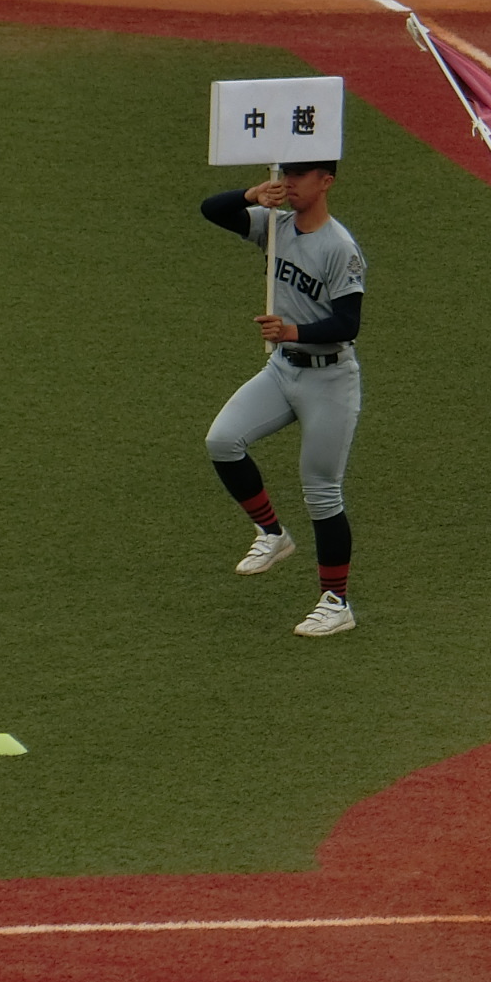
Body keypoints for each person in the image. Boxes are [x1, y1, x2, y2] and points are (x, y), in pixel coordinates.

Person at [200, 160, 365, 638]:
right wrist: (251, 194)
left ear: (326, 181)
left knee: (322, 491)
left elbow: (348, 323)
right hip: (283, 370)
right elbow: (211, 210)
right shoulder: (275, 226)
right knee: (222, 441)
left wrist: (291, 331)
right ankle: (272, 533)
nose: (288, 181)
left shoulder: (339, 246)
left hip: (329, 380)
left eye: (300, 175)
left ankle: (336, 603)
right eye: (286, 173)